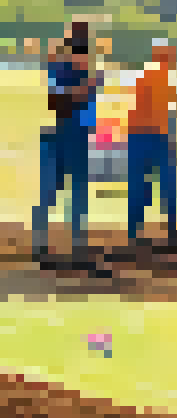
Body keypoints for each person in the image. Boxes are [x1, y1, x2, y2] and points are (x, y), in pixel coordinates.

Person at [33, 21, 101, 269]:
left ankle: (74, 244)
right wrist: (85, 88)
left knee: (75, 194)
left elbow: (87, 111)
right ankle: (43, 245)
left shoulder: (81, 70)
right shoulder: (63, 68)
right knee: (53, 192)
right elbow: (56, 101)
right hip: (61, 136)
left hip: (76, 136)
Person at [122, 40, 177, 255]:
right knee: (167, 184)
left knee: (139, 185)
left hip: (138, 135)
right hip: (154, 136)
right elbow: (167, 112)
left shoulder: (145, 75)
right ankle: (172, 232)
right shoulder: (163, 77)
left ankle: (134, 232)